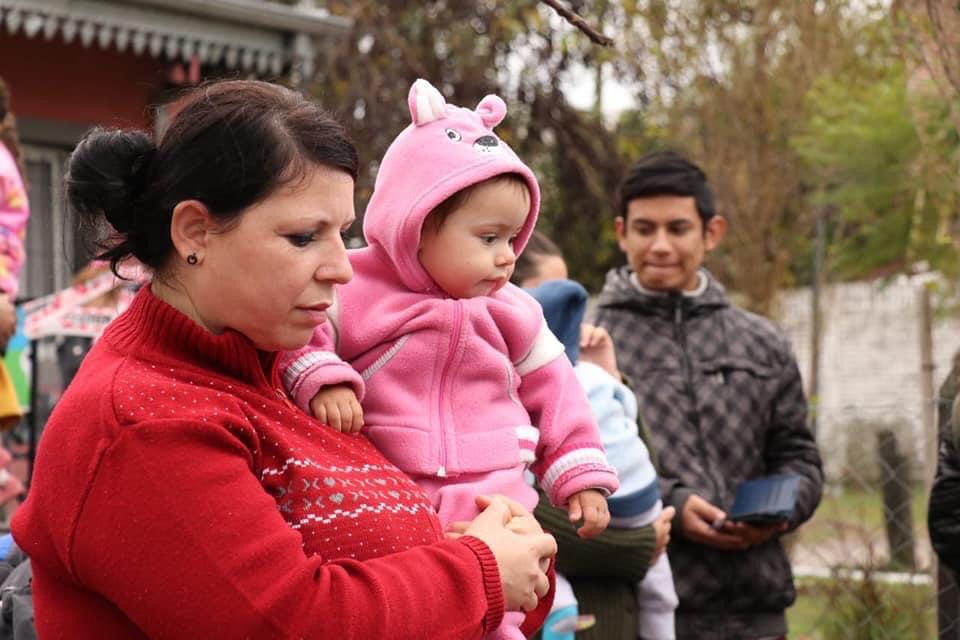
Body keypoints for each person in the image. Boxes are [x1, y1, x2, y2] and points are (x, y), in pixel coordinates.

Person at [10, 79, 558, 639]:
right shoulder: (143, 419)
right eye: (303, 237)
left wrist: (515, 558)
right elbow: (290, 622)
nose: (341, 268)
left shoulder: (291, 376)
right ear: (195, 232)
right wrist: (480, 574)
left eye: (341, 234)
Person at [280, 79, 618, 640]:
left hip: (496, 490)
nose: (507, 257)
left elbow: (558, 390)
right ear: (416, 224)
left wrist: (579, 471)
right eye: (488, 237)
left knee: (503, 606)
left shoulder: (514, 310)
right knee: (417, 604)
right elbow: (298, 329)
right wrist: (324, 376)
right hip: (394, 487)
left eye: (514, 238)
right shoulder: (356, 286)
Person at [593, 150, 823, 640]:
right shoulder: (588, 344)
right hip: (648, 610)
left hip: (759, 609)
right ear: (621, 233)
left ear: (711, 233)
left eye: (677, 228)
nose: (660, 245)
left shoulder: (762, 341)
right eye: (645, 229)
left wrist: (778, 511)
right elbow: (578, 467)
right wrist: (672, 504)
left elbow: (800, 457)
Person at [516, 231, 677, 640]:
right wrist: (639, 545)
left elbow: (635, 468)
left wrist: (608, 378)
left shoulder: (574, 374)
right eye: (548, 295)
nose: (564, 312)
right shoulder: (496, 387)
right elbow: (526, 510)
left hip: (615, 617)